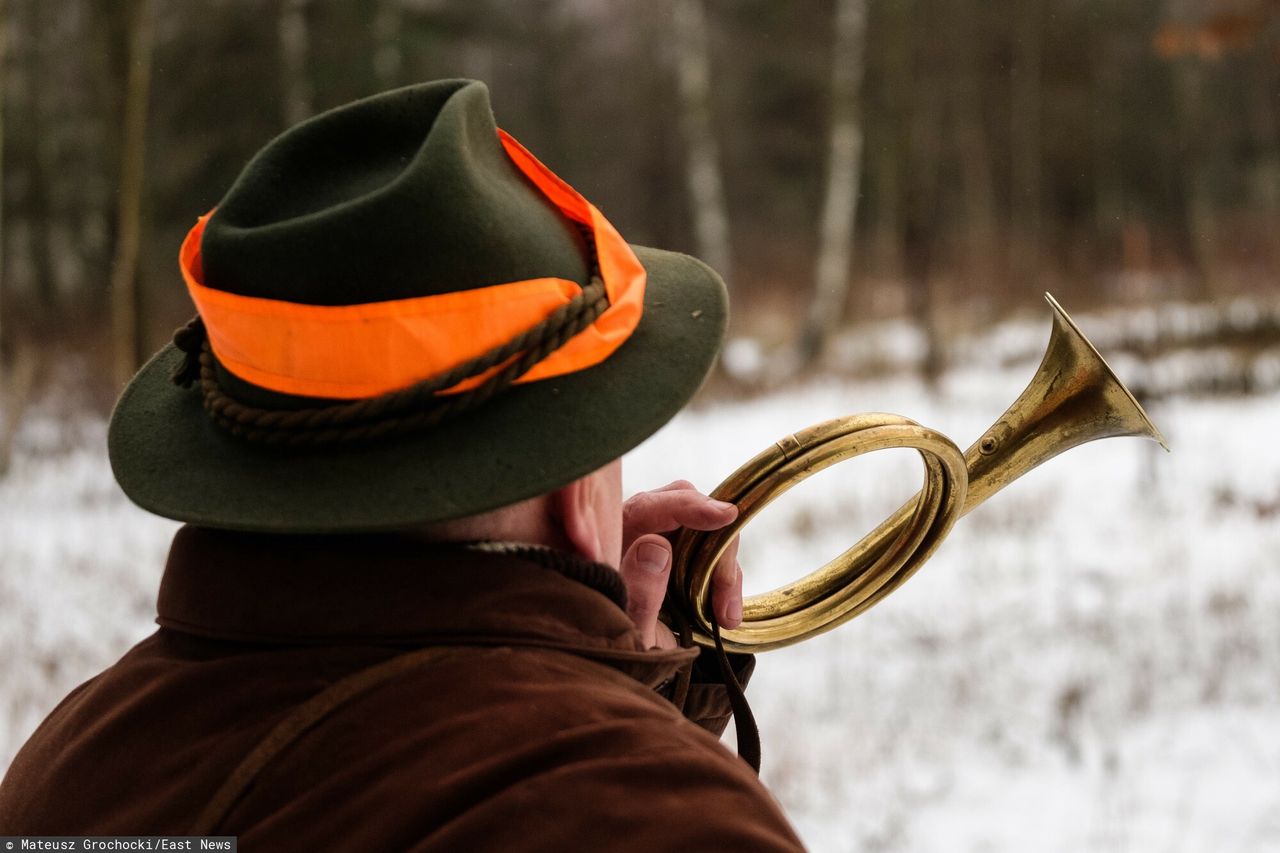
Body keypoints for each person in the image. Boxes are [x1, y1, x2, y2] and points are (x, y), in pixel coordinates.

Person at [0, 79, 804, 850]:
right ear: (573, 492)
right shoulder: (663, 819)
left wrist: (592, 682)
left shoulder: (66, 771)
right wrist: (615, 726)